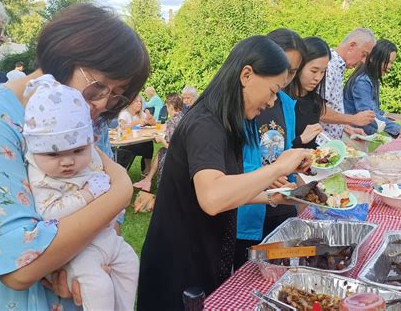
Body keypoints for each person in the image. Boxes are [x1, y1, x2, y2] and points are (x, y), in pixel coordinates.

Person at [0, 3, 150, 310]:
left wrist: (85, 262)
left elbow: (107, 221)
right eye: (98, 87)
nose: (103, 103)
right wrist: (121, 190)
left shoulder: (89, 118)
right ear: (65, 55)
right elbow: (18, 266)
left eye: (117, 94)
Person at [137, 36, 312, 310]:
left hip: (208, 256)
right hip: (179, 267)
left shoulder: (230, 123)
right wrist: (279, 167)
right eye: (273, 90)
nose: (272, 102)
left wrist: (273, 197)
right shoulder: (205, 124)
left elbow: (227, 188)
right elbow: (213, 197)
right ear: (246, 75)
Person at [23, 75, 138, 310]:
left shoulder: (93, 154)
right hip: (77, 249)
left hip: (107, 237)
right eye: (53, 154)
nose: (67, 161)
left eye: (77, 150)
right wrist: (87, 196)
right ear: (35, 151)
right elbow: (48, 213)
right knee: (98, 287)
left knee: (130, 264)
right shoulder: (41, 177)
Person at [234, 28, 306, 270]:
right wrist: (267, 174)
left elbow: (286, 149)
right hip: (248, 211)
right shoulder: (244, 104)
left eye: (293, 71)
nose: (285, 78)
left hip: (281, 207)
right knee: (242, 279)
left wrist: (296, 169)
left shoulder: (286, 104)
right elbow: (229, 163)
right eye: (283, 67)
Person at [344, 39, 401, 141]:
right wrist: (400, 129)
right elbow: (367, 115)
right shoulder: (363, 82)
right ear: (373, 58)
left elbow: (373, 111)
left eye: (392, 63)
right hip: (353, 135)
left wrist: (386, 115)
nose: (390, 67)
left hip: (360, 135)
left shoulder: (372, 78)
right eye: (387, 62)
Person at [320, 28, 376, 140]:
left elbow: (332, 107)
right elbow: (320, 111)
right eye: (364, 54)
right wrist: (353, 119)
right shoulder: (329, 67)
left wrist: (345, 127)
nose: (363, 61)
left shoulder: (338, 66)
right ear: (352, 46)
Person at [133, 93, 185, 194]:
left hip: (178, 155)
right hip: (185, 151)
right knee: (161, 151)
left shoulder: (172, 121)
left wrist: (161, 139)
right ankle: (147, 180)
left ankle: (148, 180)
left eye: (167, 106)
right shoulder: (184, 117)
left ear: (170, 106)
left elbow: (170, 147)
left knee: (163, 150)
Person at [117, 94, 156, 175]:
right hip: (127, 144)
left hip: (138, 142)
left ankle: (146, 169)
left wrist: (150, 118)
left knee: (148, 143)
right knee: (147, 145)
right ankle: (146, 169)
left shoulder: (141, 114)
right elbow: (122, 127)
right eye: (136, 102)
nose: (139, 104)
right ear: (130, 103)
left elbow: (154, 124)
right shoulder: (125, 114)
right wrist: (137, 122)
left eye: (140, 102)